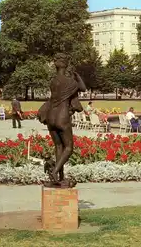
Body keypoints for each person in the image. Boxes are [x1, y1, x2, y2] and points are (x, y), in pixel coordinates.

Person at [38, 53, 87, 185]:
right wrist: (78, 77)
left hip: (50, 116)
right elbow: (82, 88)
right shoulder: (70, 82)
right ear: (66, 65)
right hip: (62, 116)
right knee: (69, 148)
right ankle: (55, 172)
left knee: (58, 146)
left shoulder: (53, 81)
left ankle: (60, 178)